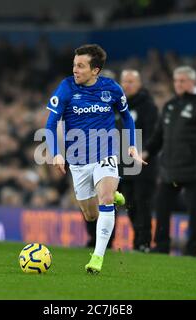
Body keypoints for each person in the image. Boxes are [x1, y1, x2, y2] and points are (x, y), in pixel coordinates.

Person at [45, 44, 146, 274]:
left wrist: (131, 145)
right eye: (74, 65)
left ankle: (98, 257)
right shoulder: (66, 88)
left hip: (106, 154)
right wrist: (56, 153)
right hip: (78, 161)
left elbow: (127, 117)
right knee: (90, 215)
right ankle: (113, 195)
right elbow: (50, 124)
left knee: (106, 199)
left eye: (81, 66)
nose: (75, 70)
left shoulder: (112, 89)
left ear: (95, 70)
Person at [143, 66, 196, 256]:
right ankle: (162, 245)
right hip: (170, 169)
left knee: (195, 211)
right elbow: (158, 136)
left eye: (182, 81)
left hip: (194, 169)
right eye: (176, 80)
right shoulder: (170, 106)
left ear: (192, 82)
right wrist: (146, 151)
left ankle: (192, 248)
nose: (178, 84)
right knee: (161, 206)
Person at [119, 69, 159, 252]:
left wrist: (145, 152)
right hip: (123, 165)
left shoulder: (148, 106)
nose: (127, 85)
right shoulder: (118, 106)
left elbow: (154, 133)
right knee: (130, 205)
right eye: (124, 81)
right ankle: (138, 241)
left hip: (143, 165)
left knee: (142, 204)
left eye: (131, 81)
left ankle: (143, 242)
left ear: (139, 84)